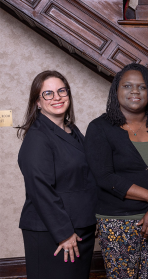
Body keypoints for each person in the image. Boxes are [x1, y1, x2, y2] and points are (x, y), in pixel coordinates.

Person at [85, 63, 148, 278]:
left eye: (142, 87)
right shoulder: (99, 128)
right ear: (116, 90)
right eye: (127, 86)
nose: (134, 92)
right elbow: (104, 176)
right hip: (117, 221)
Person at [16, 71, 97, 279]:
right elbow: (40, 189)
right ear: (38, 103)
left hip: (81, 228)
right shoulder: (37, 138)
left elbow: (87, 177)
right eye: (48, 94)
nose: (57, 97)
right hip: (54, 233)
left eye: (61, 91)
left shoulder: (73, 130)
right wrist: (64, 234)